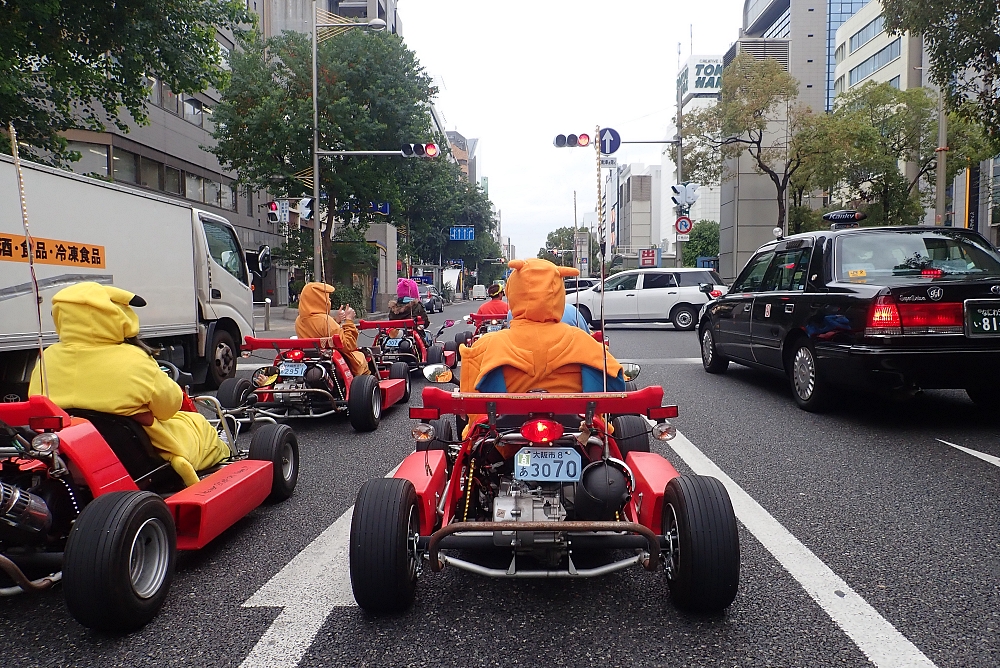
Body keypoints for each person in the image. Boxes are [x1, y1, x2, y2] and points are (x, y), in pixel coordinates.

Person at [28, 282, 230, 487]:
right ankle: (224, 447)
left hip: (65, 452)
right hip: (135, 458)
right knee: (197, 425)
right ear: (117, 315)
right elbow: (169, 407)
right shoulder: (133, 358)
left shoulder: (47, 357)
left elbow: (37, 403)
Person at [459, 258, 625, 394]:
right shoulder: (582, 341)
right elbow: (615, 386)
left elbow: (468, 401)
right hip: (578, 426)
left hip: (502, 426)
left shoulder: (486, 345)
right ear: (558, 293)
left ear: (513, 292)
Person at [295, 282, 369, 376]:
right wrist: (349, 321)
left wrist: (336, 321)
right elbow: (348, 345)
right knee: (362, 357)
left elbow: (318, 330)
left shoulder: (299, 319)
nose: (329, 299)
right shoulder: (325, 320)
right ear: (319, 299)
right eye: (326, 296)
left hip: (310, 357)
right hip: (331, 361)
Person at [388, 278, 431, 344]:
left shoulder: (393, 308)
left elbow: (390, 321)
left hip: (394, 333)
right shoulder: (417, 306)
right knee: (425, 344)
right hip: (412, 336)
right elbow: (425, 322)